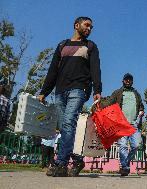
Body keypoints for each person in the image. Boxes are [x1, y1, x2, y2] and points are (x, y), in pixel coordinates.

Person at [38, 16, 102, 177]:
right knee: (65, 128)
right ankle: (78, 159)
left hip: (78, 90)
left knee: (68, 124)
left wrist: (97, 91)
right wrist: (44, 91)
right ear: (76, 25)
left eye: (91, 27)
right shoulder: (62, 45)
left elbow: (96, 69)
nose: (89, 29)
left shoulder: (90, 46)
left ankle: (61, 163)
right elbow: (53, 70)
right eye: (87, 25)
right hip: (59, 91)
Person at [107, 73, 144, 176]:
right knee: (122, 145)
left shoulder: (136, 93)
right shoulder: (117, 93)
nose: (128, 81)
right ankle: (125, 167)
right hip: (121, 124)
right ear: (123, 81)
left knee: (136, 145)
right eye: (126, 79)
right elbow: (109, 103)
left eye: (130, 80)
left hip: (134, 125)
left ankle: (125, 163)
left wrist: (141, 111)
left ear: (132, 81)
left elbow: (141, 106)